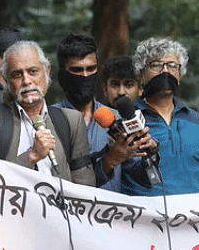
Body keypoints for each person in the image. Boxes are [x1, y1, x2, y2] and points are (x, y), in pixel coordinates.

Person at [0, 40, 96, 186]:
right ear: (6, 80)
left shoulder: (71, 120)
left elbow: (85, 186)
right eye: (17, 75)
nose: (26, 81)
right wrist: (33, 155)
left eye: (33, 71)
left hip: (61, 207)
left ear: (47, 71)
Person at [121, 37, 199, 196]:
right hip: (146, 217)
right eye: (156, 65)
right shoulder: (127, 120)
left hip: (196, 217)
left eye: (172, 66)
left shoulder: (195, 120)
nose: (165, 71)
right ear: (140, 75)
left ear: (180, 76)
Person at [52, 33, 152, 191]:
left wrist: (149, 154)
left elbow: (143, 180)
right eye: (77, 70)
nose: (85, 76)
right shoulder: (49, 120)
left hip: (111, 214)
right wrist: (109, 161)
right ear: (63, 73)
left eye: (91, 69)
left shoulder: (117, 119)